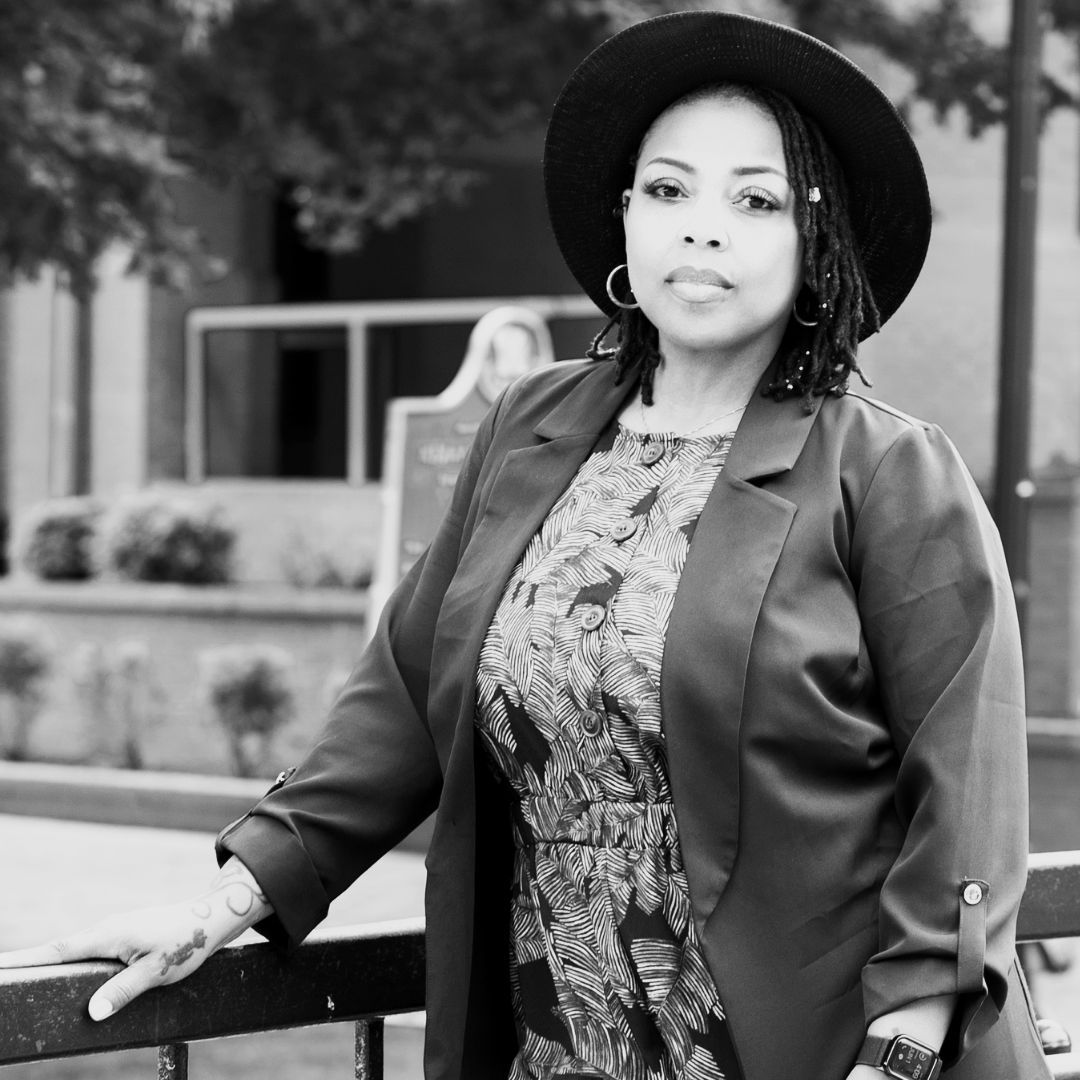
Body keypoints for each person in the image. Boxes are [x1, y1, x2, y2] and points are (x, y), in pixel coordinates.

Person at [0, 12, 1048, 1080]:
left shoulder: (886, 471)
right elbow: (403, 701)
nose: (702, 230)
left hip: (805, 1044)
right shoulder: (530, 429)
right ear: (624, 217)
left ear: (815, 245)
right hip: (560, 1031)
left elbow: (965, 790)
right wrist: (220, 905)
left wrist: (901, 1054)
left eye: (756, 200)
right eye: (669, 190)